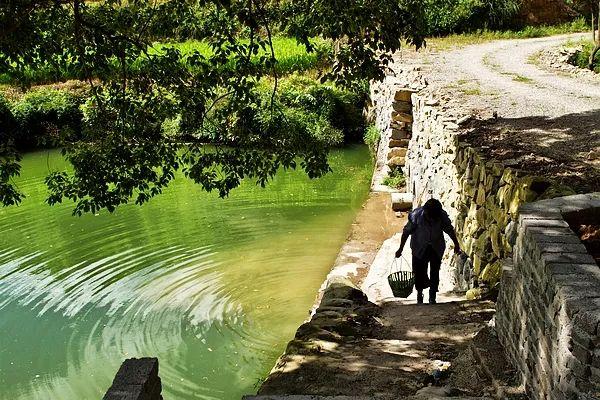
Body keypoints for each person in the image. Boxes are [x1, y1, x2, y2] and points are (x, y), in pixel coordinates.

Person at [395, 198, 461, 304]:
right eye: (430, 216)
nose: (432, 219)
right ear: (426, 212)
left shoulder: (441, 216)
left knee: (435, 271)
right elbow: (406, 232)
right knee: (418, 271)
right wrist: (400, 248)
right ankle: (419, 293)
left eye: (434, 217)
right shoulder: (416, 216)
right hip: (419, 247)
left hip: (436, 247)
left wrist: (456, 244)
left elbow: (449, 229)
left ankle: (432, 295)